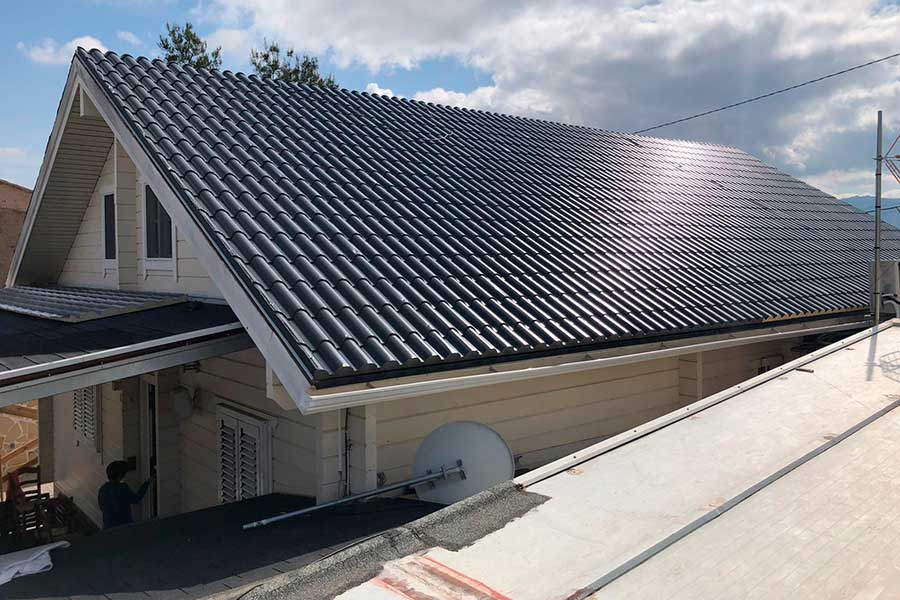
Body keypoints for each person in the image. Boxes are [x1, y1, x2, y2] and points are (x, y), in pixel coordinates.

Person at [97, 461, 153, 529]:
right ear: (120, 475)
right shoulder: (122, 488)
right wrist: (147, 483)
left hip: (108, 527)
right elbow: (136, 499)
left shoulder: (102, 489)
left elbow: (102, 507)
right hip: (124, 526)